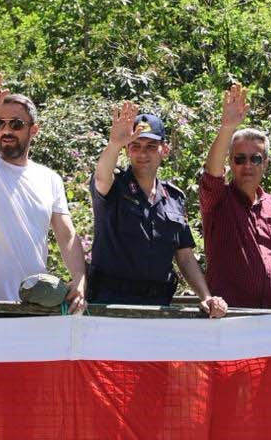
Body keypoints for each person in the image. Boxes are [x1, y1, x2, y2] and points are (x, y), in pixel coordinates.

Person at [0, 71, 88, 309]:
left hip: (32, 305)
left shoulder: (49, 179)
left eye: (16, 124)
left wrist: (79, 277)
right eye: (0, 123)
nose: (7, 130)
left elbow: (66, 235)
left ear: (34, 130)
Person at [90, 101, 227, 316]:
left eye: (151, 146)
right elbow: (100, 178)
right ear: (127, 150)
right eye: (136, 145)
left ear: (165, 150)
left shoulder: (174, 198)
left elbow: (184, 256)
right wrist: (114, 144)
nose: (142, 153)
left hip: (157, 307)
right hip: (111, 307)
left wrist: (205, 296)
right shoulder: (113, 186)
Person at [200, 83, 271, 317]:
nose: (247, 165)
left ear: (265, 163)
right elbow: (211, 174)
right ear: (231, 162)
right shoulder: (218, 200)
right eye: (239, 159)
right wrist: (227, 128)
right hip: (227, 318)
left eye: (255, 159)